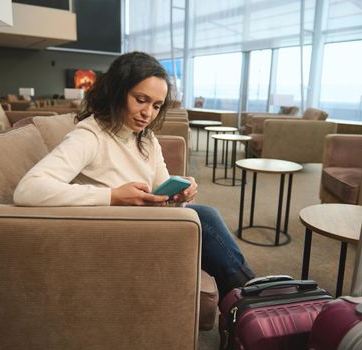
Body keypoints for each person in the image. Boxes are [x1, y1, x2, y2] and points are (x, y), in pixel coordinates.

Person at [13, 51, 255, 299]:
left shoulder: (146, 138)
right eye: (141, 100)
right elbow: (28, 189)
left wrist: (180, 193)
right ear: (117, 91)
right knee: (203, 216)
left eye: (156, 105)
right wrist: (112, 196)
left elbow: (163, 190)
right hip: (115, 232)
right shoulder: (89, 136)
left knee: (199, 216)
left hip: (144, 222)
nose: (148, 113)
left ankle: (248, 298)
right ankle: (253, 296)